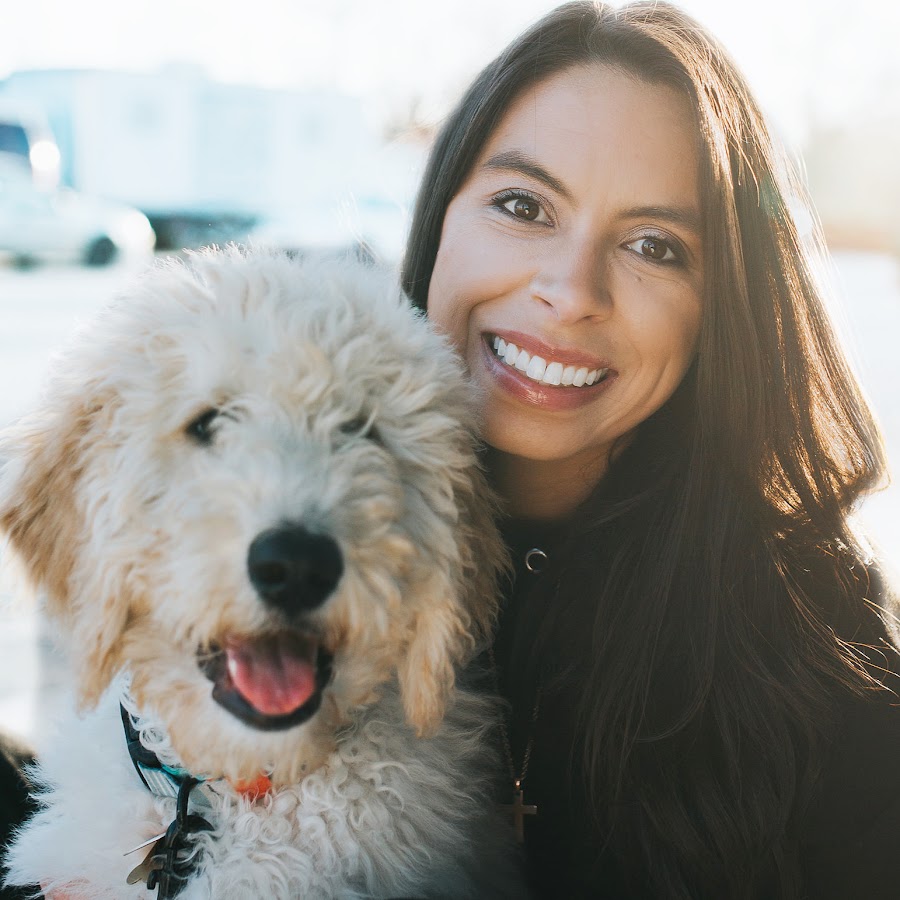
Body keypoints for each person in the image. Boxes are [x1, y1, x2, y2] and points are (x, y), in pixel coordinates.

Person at [401, 2, 900, 897]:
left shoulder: (822, 645)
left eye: (653, 246)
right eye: (523, 205)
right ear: (441, 218)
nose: (570, 290)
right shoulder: (269, 539)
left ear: (723, 309)